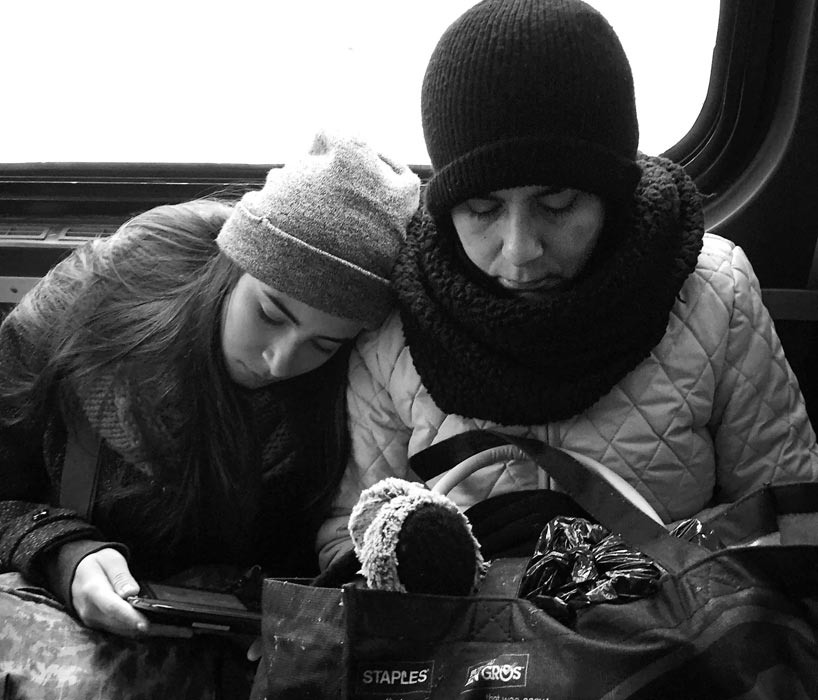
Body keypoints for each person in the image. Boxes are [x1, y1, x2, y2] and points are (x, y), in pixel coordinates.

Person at [316, 0, 818, 572]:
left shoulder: (714, 294)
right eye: (481, 208)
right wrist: (420, 565)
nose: (519, 250)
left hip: (667, 615)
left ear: (612, 194)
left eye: (557, 203)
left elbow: (792, 511)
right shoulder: (398, 319)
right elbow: (348, 534)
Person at [0, 131, 419, 695]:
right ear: (232, 265)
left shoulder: (347, 395)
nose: (280, 361)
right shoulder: (87, 312)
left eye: (324, 344)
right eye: (270, 314)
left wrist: (297, 615)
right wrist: (61, 551)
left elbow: (309, 546)